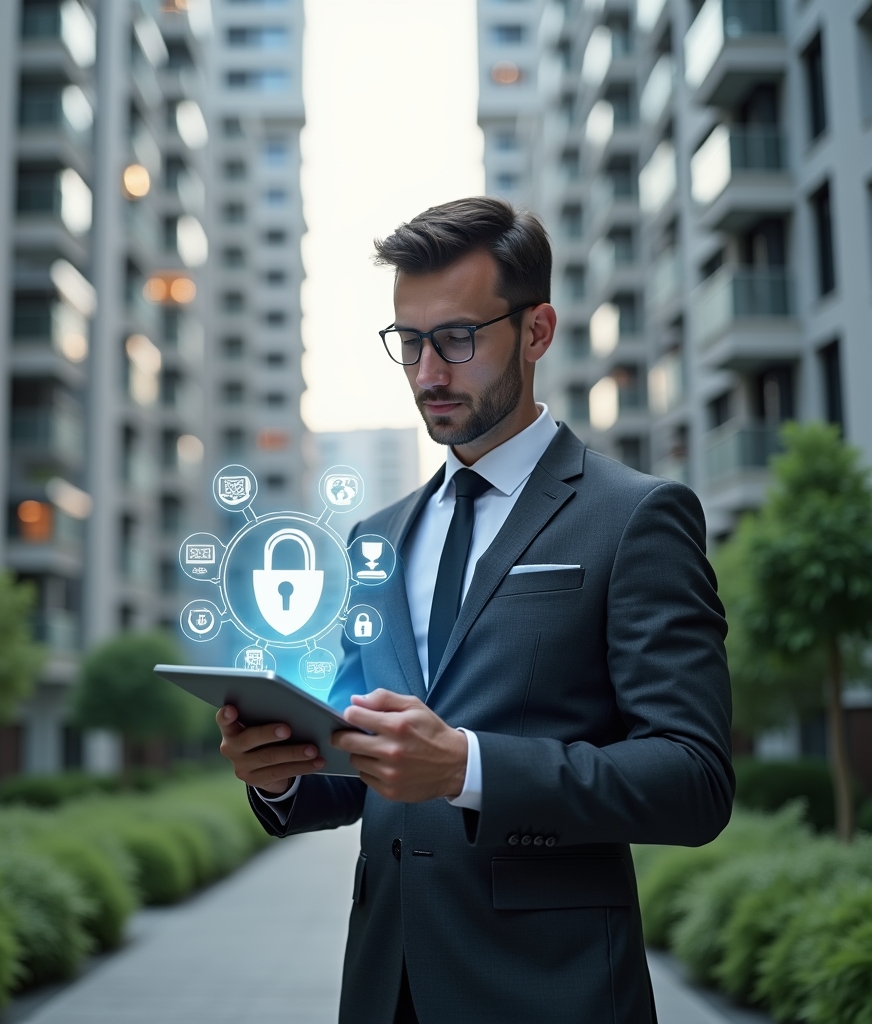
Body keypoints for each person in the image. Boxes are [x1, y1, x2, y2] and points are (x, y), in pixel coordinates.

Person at [217, 197, 733, 1024]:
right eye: (409, 342)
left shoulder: (636, 516)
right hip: (387, 989)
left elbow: (694, 780)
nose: (428, 373)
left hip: (552, 992)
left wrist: (468, 767)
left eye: (457, 339)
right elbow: (363, 768)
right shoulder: (374, 539)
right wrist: (279, 774)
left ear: (536, 332)